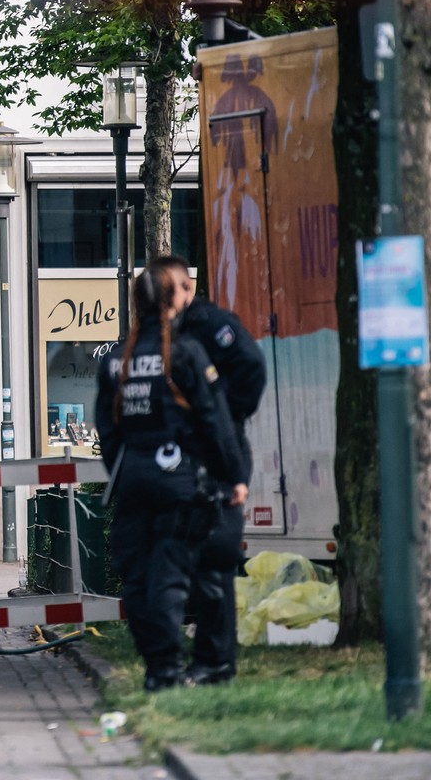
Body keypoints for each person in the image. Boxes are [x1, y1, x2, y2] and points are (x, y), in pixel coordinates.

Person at [95, 266, 245, 691]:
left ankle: (157, 667)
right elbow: (215, 420)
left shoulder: (116, 359)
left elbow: (107, 430)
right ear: (171, 302)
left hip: (133, 481)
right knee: (169, 578)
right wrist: (231, 475)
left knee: (137, 578)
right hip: (180, 482)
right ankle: (166, 673)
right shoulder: (185, 353)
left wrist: (123, 471)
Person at [153, 254, 268, 686]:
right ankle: (201, 657)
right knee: (191, 557)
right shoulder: (172, 329)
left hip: (217, 450)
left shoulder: (208, 323)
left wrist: (225, 413)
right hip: (190, 450)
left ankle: (215, 661)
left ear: (186, 288)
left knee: (212, 560)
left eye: (165, 291)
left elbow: (251, 367)